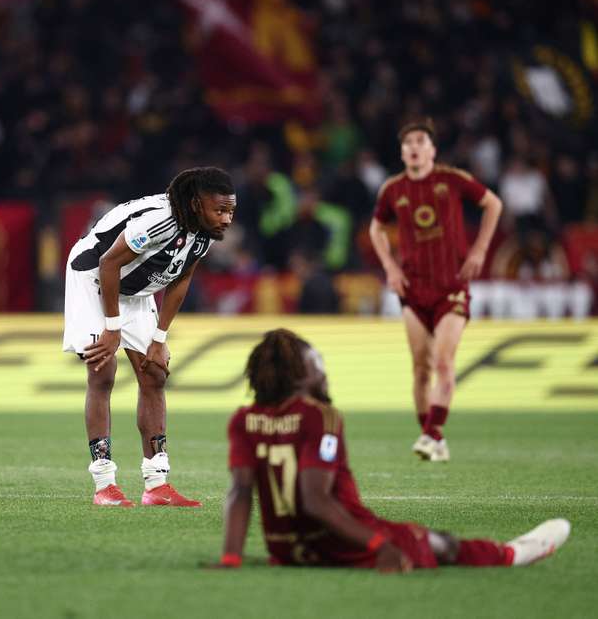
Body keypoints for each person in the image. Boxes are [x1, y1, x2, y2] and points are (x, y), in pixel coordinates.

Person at [218, 328, 570, 571]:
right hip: (347, 543)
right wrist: (378, 546)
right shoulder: (320, 416)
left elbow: (240, 491)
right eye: (317, 365)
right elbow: (315, 500)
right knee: (441, 544)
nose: (324, 374)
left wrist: (231, 559)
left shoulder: (243, 420)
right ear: (300, 374)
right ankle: (511, 554)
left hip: (287, 552)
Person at [63, 166, 236, 507]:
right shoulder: (160, 221)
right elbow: (109, 263)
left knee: (155, 373)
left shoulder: (202, 231)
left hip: (137, 290)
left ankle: (157, 484)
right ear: (196, 204)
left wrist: (159, 338)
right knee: (103, 371)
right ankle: (104, 484)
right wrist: (113, 329)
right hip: (94, 277)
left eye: (231, 211)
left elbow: (180, 279)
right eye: (220, 210)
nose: (227, 219)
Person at [368, 118, 503, 461]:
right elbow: (376, 229)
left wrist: (479, 250)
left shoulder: (451, 180)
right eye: (408, 142)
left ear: (432, 149)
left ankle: (431, 433)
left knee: (443, 361)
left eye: (420, 141)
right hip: (413, 289)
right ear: (402, 152)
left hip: (451, 286)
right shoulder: (393, 190)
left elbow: (493, 204)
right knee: (420, 368)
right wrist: (390, 267)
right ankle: (434, 440)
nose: (413, 147)